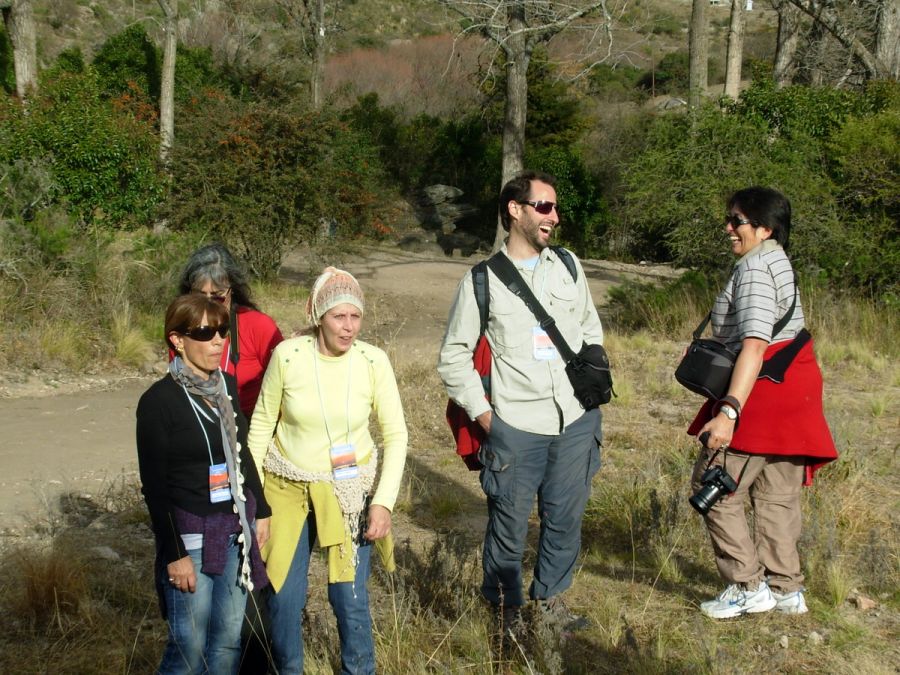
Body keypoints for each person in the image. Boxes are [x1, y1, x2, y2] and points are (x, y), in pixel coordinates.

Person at [437, 171, 604, 637]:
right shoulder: (481, 281)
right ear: (516, 210)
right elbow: (452, 356)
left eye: (555, 207)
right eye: (544, 206)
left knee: (565, 520)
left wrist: (590, 391)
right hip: (515, 426)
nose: (554, 216)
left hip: (574, 421)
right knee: (508, 527)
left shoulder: (569, 265)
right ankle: (504, 615)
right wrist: (489, 419)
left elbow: (590, 327)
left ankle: (550, 605)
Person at [687, 186, 838, 620]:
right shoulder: (778, 261)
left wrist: (729, 411)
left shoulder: (754, 269)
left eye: (737, 220)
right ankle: (786, 588)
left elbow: (755, 344)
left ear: (765, 228)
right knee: (778, 495)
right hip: (796, 389)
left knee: (711, 485)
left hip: (762, 392)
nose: (728, 228)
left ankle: (747, 585)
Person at [247, 267, 408, 675]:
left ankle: (360, 669)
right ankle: (288, 669)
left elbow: (397, 435)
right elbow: (261, 429)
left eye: (355, 317)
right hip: (288, 483)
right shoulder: (288, 355)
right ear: (319, 315)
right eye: (339, 316)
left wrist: (384, 503)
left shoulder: (374, 361)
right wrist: (256, 502)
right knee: (283, 596)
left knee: (349, 596)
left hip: (349, 489)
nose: (349, 327)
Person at [136, 294, 271, 674]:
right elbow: (154, 488)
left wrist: (263, 510)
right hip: (191, 538)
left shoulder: (225, 386)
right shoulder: (158, 402)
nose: (217, 341)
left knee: (227, 642)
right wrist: (174, 553)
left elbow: (241, 453)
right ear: (177, 339)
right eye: (205, 332)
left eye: (222, 331)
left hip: (233, 531)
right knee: (188, 648)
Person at [179, 243, 283, 417]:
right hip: (198, 421)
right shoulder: (182, 327)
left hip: (250, 425)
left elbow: (286, 381)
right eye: (199, 295)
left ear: (232, 291)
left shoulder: (258, 326)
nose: (208, 303)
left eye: (217, 296)